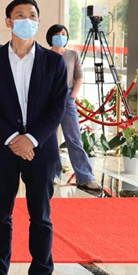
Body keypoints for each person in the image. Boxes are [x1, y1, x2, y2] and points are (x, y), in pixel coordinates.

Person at [0, 0, 67, 275]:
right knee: (1, 214)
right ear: (9, 22)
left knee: (40, 216)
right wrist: (15, 137)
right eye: (20, 15)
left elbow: (57, 107)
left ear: (38, 21)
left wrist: (32, 139)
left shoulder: (53, 62)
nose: (27, 20)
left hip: (41, 150)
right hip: (3, 148)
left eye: (32, 15)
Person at [46, 24, 102, 191]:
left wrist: (72, 96)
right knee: (49, 139)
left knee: (74, 138)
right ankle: (53, 173)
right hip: (48, 99)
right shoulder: (44, 55)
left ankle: (85, 176)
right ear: (50, 37)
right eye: (57, 34)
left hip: (67, 97)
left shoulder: (73, 54)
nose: (61, 36)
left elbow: (79, 76)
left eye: (64, 34)